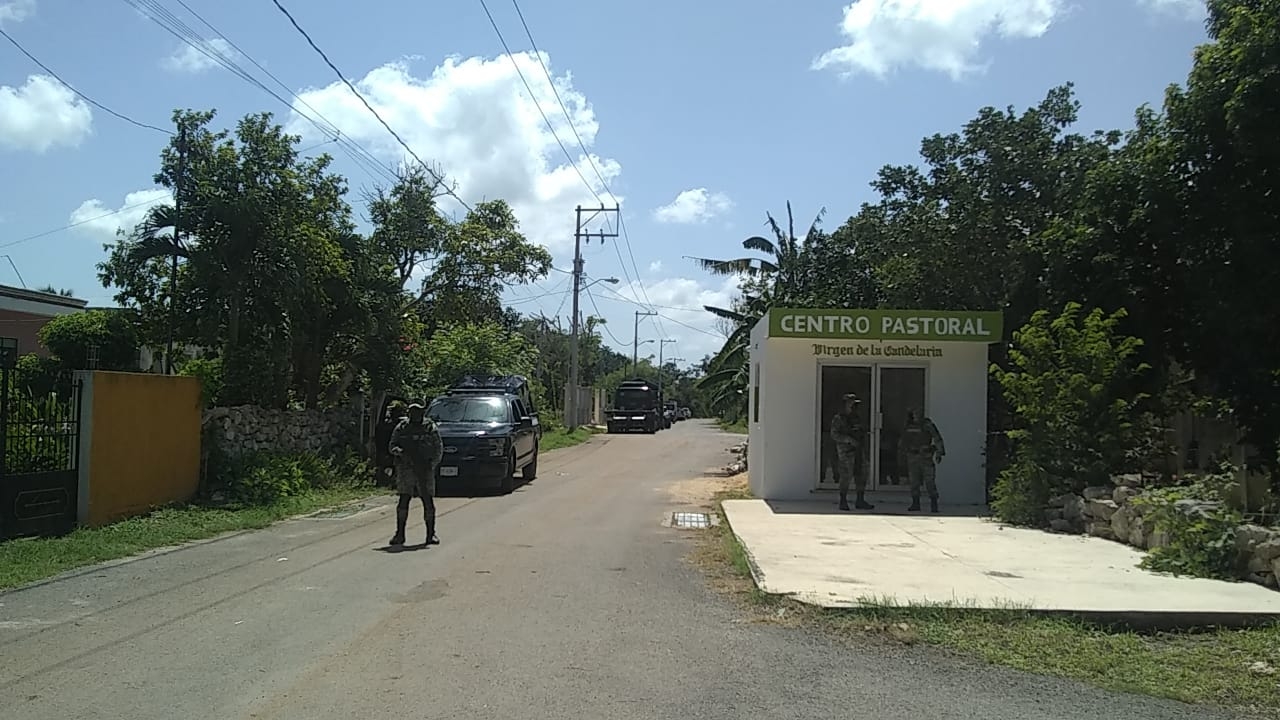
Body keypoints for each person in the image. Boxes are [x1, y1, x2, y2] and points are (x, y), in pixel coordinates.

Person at [389, 402, 444, 546]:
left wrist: (431, 466)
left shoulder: (429, 427)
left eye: (418, 411)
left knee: (428, 501)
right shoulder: (402, 428)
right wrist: (401, 453)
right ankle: (399, 534)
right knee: (403, 500)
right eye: (412, 411)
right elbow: (392, 445)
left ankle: (431, 534)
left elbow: (438, 448)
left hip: (425, 469)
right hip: (406, 469)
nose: (415, 414)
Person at [830, 393, 874, 511]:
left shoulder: (857, 418)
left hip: (859, 450)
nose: (854, 406)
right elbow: (834, 434)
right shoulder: (839, 418)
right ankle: (843, 501)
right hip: (846, 452)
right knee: (846, 476)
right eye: (851, 403)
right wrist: (848, 440)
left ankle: (860, 500)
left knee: (862, 474)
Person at [900, 407, 945, 513]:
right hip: (912, 456)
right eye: (914, 413)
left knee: (929, 481)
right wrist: (902, 453)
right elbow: (903, 441)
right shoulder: (909, 425)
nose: (915, 415)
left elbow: (937, 438)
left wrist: (939, 453)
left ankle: (934, 503)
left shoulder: (927, 424)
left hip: (925, 457)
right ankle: (915, 503)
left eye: (917, 413)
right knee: (914, 482)